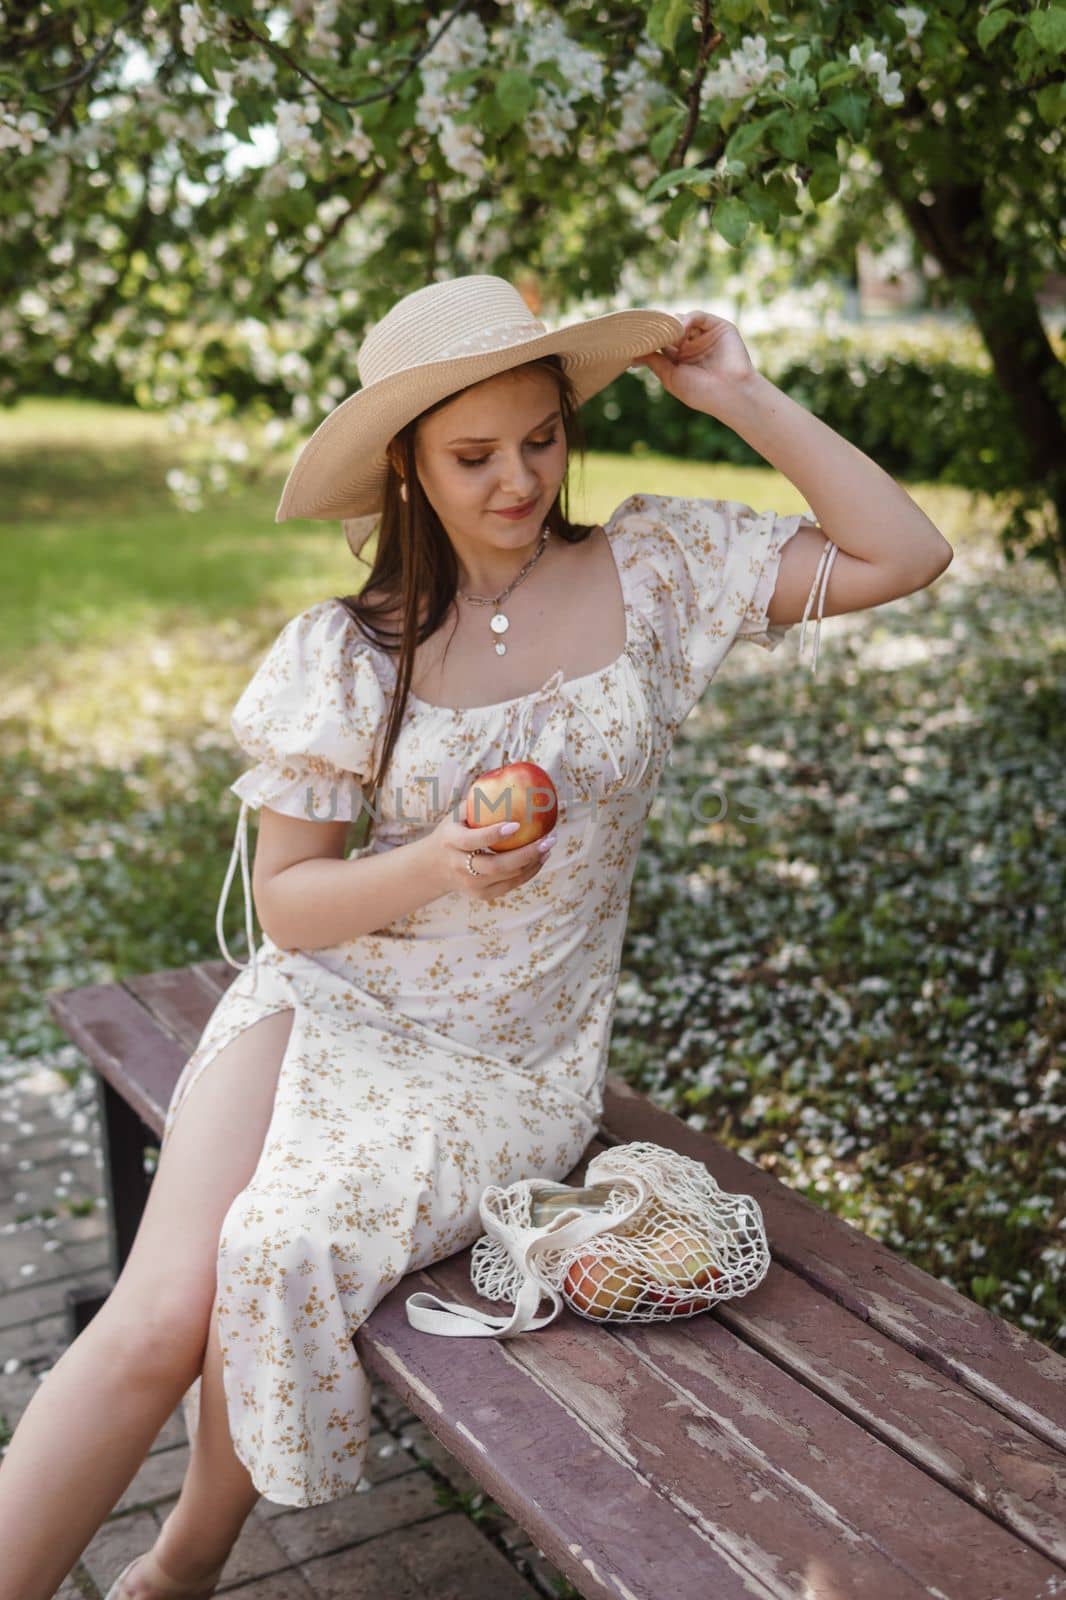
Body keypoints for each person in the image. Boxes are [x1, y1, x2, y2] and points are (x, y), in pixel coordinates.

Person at [0, 274, 952, 1600]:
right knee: (156, 1314)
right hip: (322, 1004)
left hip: (503, 1064)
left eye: (540, 440)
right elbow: (288, 903)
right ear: (405, 465)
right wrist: (440, 860)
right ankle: (163, 1565)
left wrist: (737, 392)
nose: (515, 479)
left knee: (273, 1247)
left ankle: (178, 1563)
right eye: (470, 455)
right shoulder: (350, 652)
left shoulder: (653, 572)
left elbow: (904, 553)